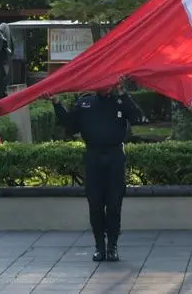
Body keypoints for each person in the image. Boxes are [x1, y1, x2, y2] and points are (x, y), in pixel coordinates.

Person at [50, 79, 144, 262]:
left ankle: (113, 246)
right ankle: (100, 247)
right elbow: (70, 124)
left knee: (114, 205)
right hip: (93, 157)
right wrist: (57, 103)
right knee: (96, 205)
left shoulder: (120, 101)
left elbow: (137, 117)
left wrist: (124, 95)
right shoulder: (86, 103)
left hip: (115, 157)